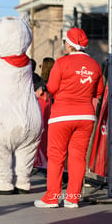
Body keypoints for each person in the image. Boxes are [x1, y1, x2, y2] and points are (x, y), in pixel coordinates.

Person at [34, 28, 104, 208]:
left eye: (65, 41)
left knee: (57, 156)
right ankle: (73, 198)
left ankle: (52, 197)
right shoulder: (95, 65)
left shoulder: (62, 62)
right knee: (78, 157)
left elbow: (53, 87)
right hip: (86, 116)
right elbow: (99, 92)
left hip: (62, 116)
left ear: (69, 44)